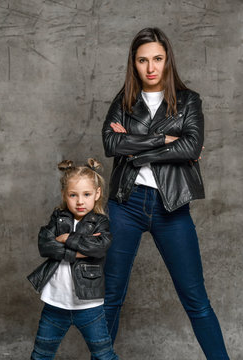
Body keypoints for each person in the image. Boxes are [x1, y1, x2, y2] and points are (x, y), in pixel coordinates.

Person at [101, 27, 229, 359]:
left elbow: (192, 146)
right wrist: (167, 141)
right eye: (143, 60)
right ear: (134, 64)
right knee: (110, 297)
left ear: (167, 59)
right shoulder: (125, 101)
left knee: (196, 300)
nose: (151, 67)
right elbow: (111, 143)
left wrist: (136, 147)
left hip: (170, 209)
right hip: (125, 205)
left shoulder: (188, 101)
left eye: (157, 58)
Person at [27, 159, 119, 360]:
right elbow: (45, 245)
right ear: (64, 195)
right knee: (41, 355)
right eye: (73, 195)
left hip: (89, 307)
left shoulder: (100, 223)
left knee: (104, 355)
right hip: (55, 304)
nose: (80, 201)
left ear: (97, 194)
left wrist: (68, 238)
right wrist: (78, 250)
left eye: (86, 194)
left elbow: (99, 247)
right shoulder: (58, 218)